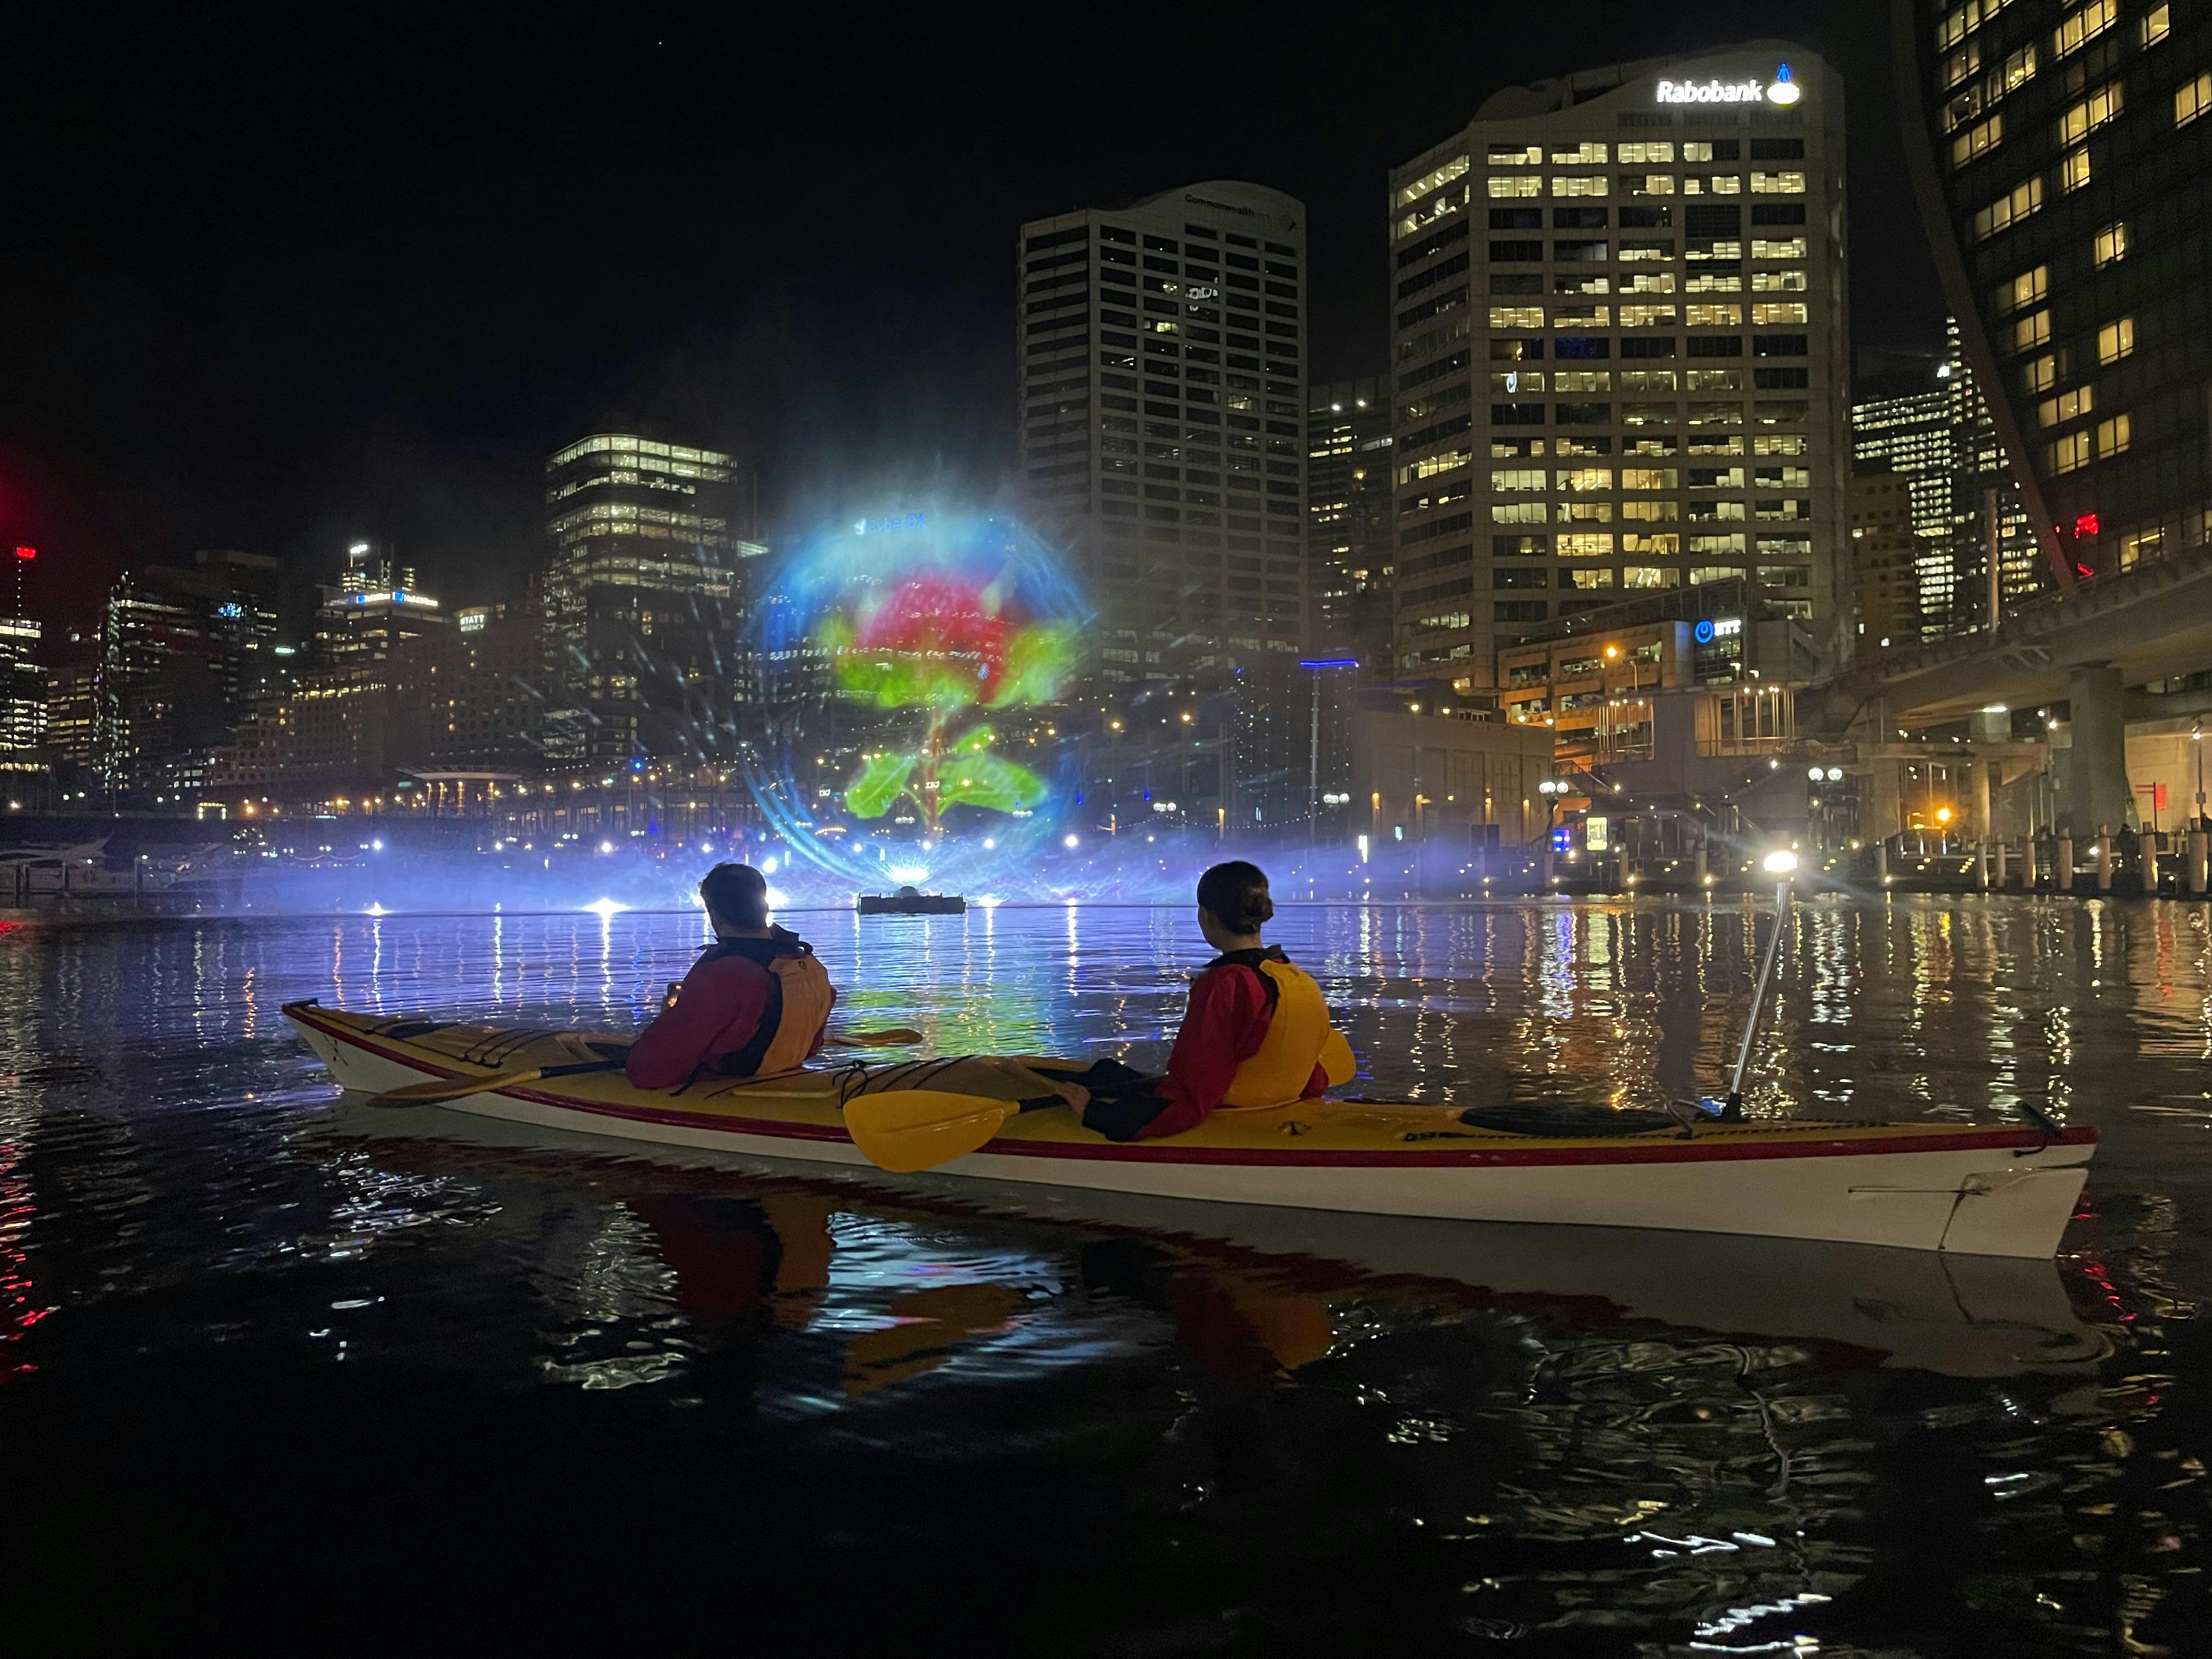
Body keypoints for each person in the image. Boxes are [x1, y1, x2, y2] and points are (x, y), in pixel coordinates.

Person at [1079, 860, 1352, 1142]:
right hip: (1280, 1106)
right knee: (1106, 1074)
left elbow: (1196, 1091)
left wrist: (1098, 1114)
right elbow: (1314, 1079)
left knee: (1103, 1082)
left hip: (1230, 1115)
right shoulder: (1298, 978)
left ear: (1205, 917)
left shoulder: (1224, 986)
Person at [625, 863, 837, 1089]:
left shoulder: (724, 975)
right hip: (784, 1078)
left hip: (725, 1089)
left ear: (714, 913)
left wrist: (671, 1017)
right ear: (764, 907)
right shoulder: (812, 967)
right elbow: (813, 1047)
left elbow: (648, 1071)